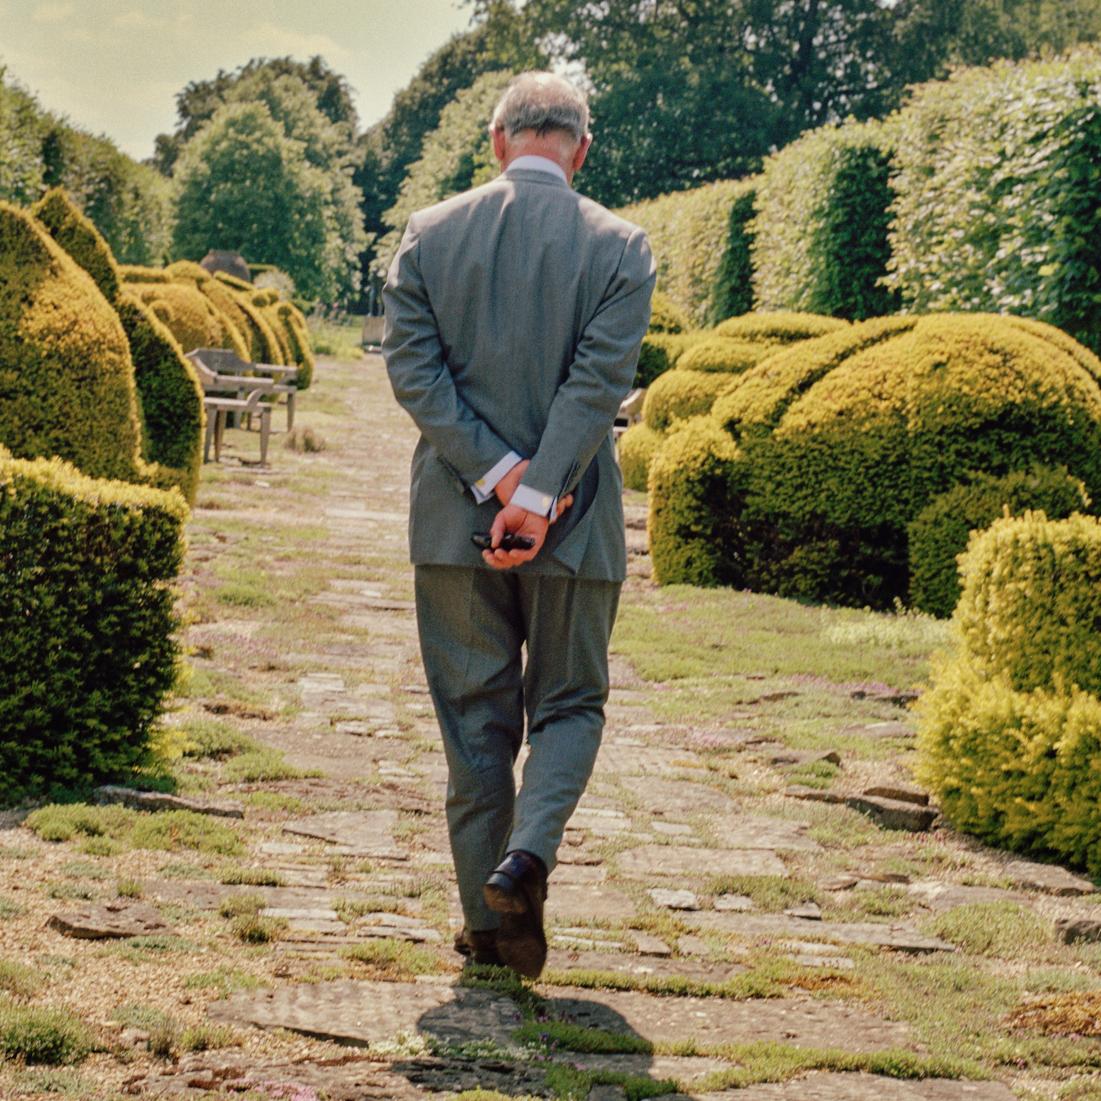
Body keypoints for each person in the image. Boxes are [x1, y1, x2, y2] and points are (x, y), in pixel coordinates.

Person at [382, 71, 655, 979]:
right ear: (579, 148)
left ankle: (485, 924)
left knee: (473, 723)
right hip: (575, 526)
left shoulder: (428, 232)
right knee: (571, 702)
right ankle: (527, 856)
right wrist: (538, 495)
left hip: (454, 519)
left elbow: (418, 378)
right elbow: (596, 385)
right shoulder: (621, 246)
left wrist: (496, 480)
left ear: (497, 142)